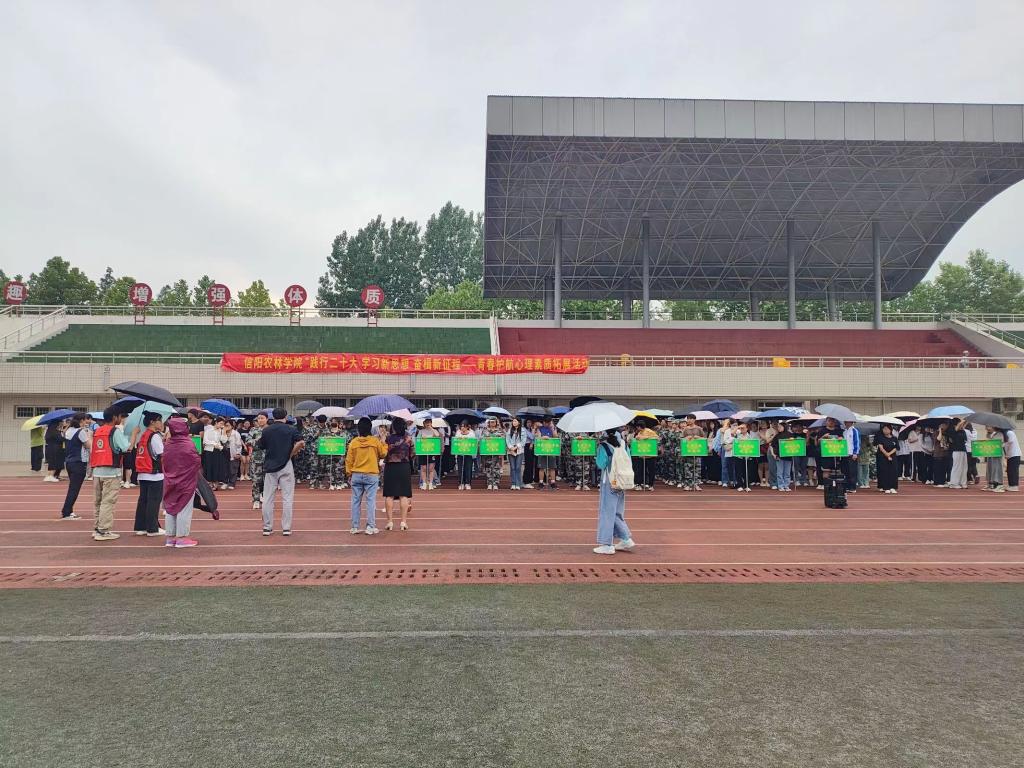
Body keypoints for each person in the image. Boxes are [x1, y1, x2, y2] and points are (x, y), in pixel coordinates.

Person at [257, 408, 304, 536]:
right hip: (286, 464)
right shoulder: (291, 429)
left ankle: (267, 527)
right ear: (286, 417)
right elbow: (301, 442)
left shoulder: (266, 430)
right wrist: (290, 454)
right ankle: (286, 528)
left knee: (268, 498)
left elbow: (261, 446)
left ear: (273, 417)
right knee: (287, 498)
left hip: (270, 466)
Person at [89, 406, 130, 541]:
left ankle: (97, 528)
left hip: (97, 471)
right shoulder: (115, 431)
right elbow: (126, 447)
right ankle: (103, 530)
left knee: (98, 502)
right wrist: (133, 435)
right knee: (108, 502)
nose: (121, 419)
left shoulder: (97, 431)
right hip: (111, 472)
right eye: (120, 416)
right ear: (114, 417)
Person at [592, 428, 635, 556]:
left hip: (609, 481)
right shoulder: (623, 444)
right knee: (617, 512)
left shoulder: (604, 446)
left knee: (607, 512)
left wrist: (597, 454)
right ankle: (625, 539)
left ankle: (607, 544)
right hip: (622, 480)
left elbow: (601, 464)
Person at [162, 417, 202, 548]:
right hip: (186, 481)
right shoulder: (188, 443)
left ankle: (170, 537)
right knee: (184, 508)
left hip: (170, 480)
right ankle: (182, 538)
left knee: (170, 507)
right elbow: (196, 461)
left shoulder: (168, 444)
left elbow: (164, 461)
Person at [346, 417, 387, 534]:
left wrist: (349, 473)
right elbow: (383, 454)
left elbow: (349, 460)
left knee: (355, 501)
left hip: (356, 474)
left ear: (358, 429)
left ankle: (354, 527)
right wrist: (383, 441)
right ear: (370, 428)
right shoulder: (375, 441)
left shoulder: (354, 442)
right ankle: (370, 526)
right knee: (370, 501)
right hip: (371, 474)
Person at [132, 412, 166, 536]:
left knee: (143, 501)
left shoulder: (144, 435)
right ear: (152, 422)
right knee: (154, 501)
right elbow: (162, 453)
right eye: (160, 420)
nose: (162, 423)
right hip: (154, 473)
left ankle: (141, 526)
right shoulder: (155, 436)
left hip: (143, 472)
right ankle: (152, 528)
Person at [382, 419, 414, 531]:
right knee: (403, 495)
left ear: (393, 427)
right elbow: (413, 453)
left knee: (389, 495)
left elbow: (382, 453)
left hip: (390, 467)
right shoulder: (408, 438)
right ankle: (403, 522)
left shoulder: (388, 438)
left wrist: (382, 439)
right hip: (404, 467)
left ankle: (389, 522)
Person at [59, 412, 93, 519]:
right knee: (74, 489)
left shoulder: (68, 430)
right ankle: (67, 511)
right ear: (81, 420)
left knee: (72, 488)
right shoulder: (80, 432)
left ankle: (68, 510)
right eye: (86, 420)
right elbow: (89, 445)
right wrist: (89, 436)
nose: (87, 422)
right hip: (79, 462)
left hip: (69, 462)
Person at [246, 412, 268, 510]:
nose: (260, 420)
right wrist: (258, 441)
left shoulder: (270, 430)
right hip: (256, 459)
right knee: (256, 480)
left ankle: (265, 497)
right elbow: (248, 441)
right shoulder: (253, 430)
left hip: (268, 458)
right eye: (259, 418)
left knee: (267, 480)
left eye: (262, 418)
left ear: (267, 419)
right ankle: (256, 499)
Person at [535, 417, 560, 490]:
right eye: (547, 423)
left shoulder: (553, 428)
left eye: (549, 423)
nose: (548, 424)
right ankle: (541, 483)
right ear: (544, 422)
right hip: (542, 450)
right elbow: (538, 437)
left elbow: (556, 437)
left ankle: (553, 483)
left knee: (552, 467)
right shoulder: (540, 428)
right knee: (541, 467)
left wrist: (552, 429)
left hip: (551, 450)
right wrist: (543, 437)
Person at [680, 415, 704, 491]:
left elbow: (704, 439)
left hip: (697, 451)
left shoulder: (699, 429)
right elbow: (681, 439)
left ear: (694, 420)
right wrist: (686, 438)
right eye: (688, 419)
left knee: (697, 468)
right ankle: (688, 484)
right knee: (688, 468)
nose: (689, 420)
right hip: (688, 451)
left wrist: (699, 438)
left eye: (691, 419)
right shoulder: (685, 429)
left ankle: (696, 484)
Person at [481, 417, 506, 490]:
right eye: (491, 422)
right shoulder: (485, 430)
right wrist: (486, 439)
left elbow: (503, 441)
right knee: (488, 467)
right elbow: (482, 439)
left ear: (496, 422)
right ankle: (489, 483)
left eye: (494, 422)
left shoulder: (500, 430)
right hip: (488, 452)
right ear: (489, 423)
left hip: (497, 452)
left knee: (496, 468)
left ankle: (495, 483)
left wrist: (502, 452)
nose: (492, 423)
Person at [415, 418, 441, 490]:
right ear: (424, 424)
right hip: (423, 451)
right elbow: (417, 440)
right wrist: (422, 438)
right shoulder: (421, 431)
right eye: (426, 422)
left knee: (431, 468)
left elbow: (437, 436)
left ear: (431, 423)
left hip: (432, 451)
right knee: (423, 468)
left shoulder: (434, 430)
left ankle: (431, 483)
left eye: (429, 422)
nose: (427, 424)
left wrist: (432, 429)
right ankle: (424, 483)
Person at [874, 425, 900, 494]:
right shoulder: (880, 438)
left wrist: (890, 454)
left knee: (893, 472)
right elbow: (881, 447)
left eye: (886, 429)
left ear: (890, 430)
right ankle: (886, 487)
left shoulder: (894, 438)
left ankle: (892, 487)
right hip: (882, 457)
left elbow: (896, 448)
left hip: (892, 457)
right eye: (884, 429)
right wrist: (887, 454)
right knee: (884, 472)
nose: (885, 430)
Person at [770, 422, 793, 491]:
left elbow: (794, 444)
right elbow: (771, 445)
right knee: (780, 472)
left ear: (784, 427)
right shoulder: (777, 436)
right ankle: (780, 486)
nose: (778, 428)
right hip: (779, 456)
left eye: (780, 426)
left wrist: (792, 440)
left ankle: (786, 485)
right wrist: (773, 454)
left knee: (787, 472)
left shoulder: (790, 434)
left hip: (788, 456)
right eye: (778, 427)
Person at [454, 421, 477, 490]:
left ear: (467, 427)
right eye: (461, 426)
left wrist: (467, 438)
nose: (462, 428)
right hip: (460, 453)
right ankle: (461, 483)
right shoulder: (458, 432)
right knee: (460, 468)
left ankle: (468, 483)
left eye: (464, 426)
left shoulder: (471, 433)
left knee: (468, 468)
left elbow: (473, 441)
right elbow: (456, 441)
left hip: (468, 453)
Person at [947, 419, 969, 489]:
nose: (961, 424)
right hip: (956, 450)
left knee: (964, 467)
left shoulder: (962, 431)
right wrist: (964, 420)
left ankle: (963, 482)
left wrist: (967, 420)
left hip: (963, 450)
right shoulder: (952, 430)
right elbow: (958, 427)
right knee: (957, 467)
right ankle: (954, 483)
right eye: (959, 423)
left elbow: (963, 426)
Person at [506, 417, 527, 490]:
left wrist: (516, 447)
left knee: (518, 467)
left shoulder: (523, 431)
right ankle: (513, 483)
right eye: (513, 421)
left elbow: (523, 441)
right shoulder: (509, 430)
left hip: (519, 451)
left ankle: (518, 483)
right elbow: (507, 440)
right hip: (510, 451)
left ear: (519, 422)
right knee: (512, 467)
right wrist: (510, 447)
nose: (514, 422)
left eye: (515, 421)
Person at [982, 427, 1005, 492]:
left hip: (997, 454)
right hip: (990, 453)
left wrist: (990, 441)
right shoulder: (989, 434)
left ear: (993, 426)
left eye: (988, 426)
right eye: (986, 427)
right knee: (990, 468)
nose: (987, 428)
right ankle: (991, 484)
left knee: (997, 468)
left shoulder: (999, 434)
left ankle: (999, 485)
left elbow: (999, 443)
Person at [223, 420, 242, 490]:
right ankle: (225, 482)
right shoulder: (223, 432)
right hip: (224, 451)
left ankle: (232, 483)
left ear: (232, 426)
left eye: (228, 425)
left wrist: (238, 453)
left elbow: (239, 444)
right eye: (225, 425)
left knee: (233, 468)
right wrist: (224, 433)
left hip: (233, 452)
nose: (226, 427)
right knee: (224, 468)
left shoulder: (236, 433)